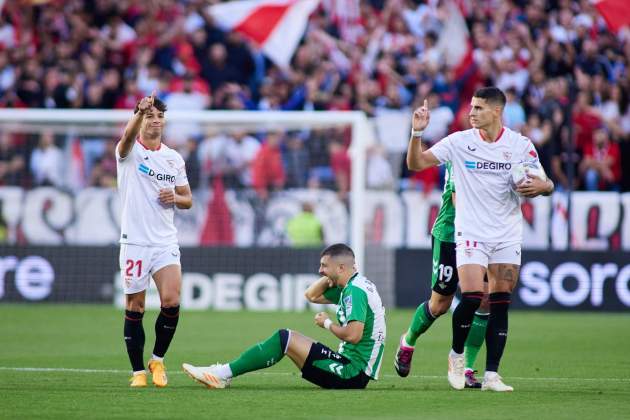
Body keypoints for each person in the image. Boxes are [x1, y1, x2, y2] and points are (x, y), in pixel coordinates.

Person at [406, 87, 554, 392]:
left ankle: (491, 375)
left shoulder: (520, 145)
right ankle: (456, 356)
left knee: (499, 303)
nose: (471, 113)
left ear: (496, 112)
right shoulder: (460, 142)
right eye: (471, 107)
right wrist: (416, 133)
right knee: (471, 296)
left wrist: (543, 185)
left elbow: (546, 182)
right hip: (470, 231)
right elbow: (416, 164)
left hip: (507, 233)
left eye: (478, 108)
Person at [182, 243, 386, 390]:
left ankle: (221, 374)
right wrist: (330, 277)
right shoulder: (353, 285)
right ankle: (222, 373)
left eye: (324, 265)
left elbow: (353, 335)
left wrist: (326, 324)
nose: (320, 270)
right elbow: (311, 295)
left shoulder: (354, 291)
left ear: (341, 267)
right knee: (286, 339)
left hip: (350, 373)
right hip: (349, 367)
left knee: (284, 338)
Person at [116, 92, 193, 388]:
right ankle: (138, 372)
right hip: (134, 242)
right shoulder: (128, 153)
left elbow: (188, 200)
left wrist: (175, 197)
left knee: (172, 301)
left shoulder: (173, 158)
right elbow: (126, 136)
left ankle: (157, 360)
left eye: (160, 117)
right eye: (151, 116)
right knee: (135, 306)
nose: (156, 121)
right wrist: (138, 111)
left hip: (164, 242)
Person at [394, 161, 489, 389]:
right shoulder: (462, 152)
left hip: (484, 236)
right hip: (450, 235)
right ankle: (408, 341)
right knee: (439, 306)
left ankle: (466, 367)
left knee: (484, 299)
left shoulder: (499, 151)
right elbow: (459, 201)